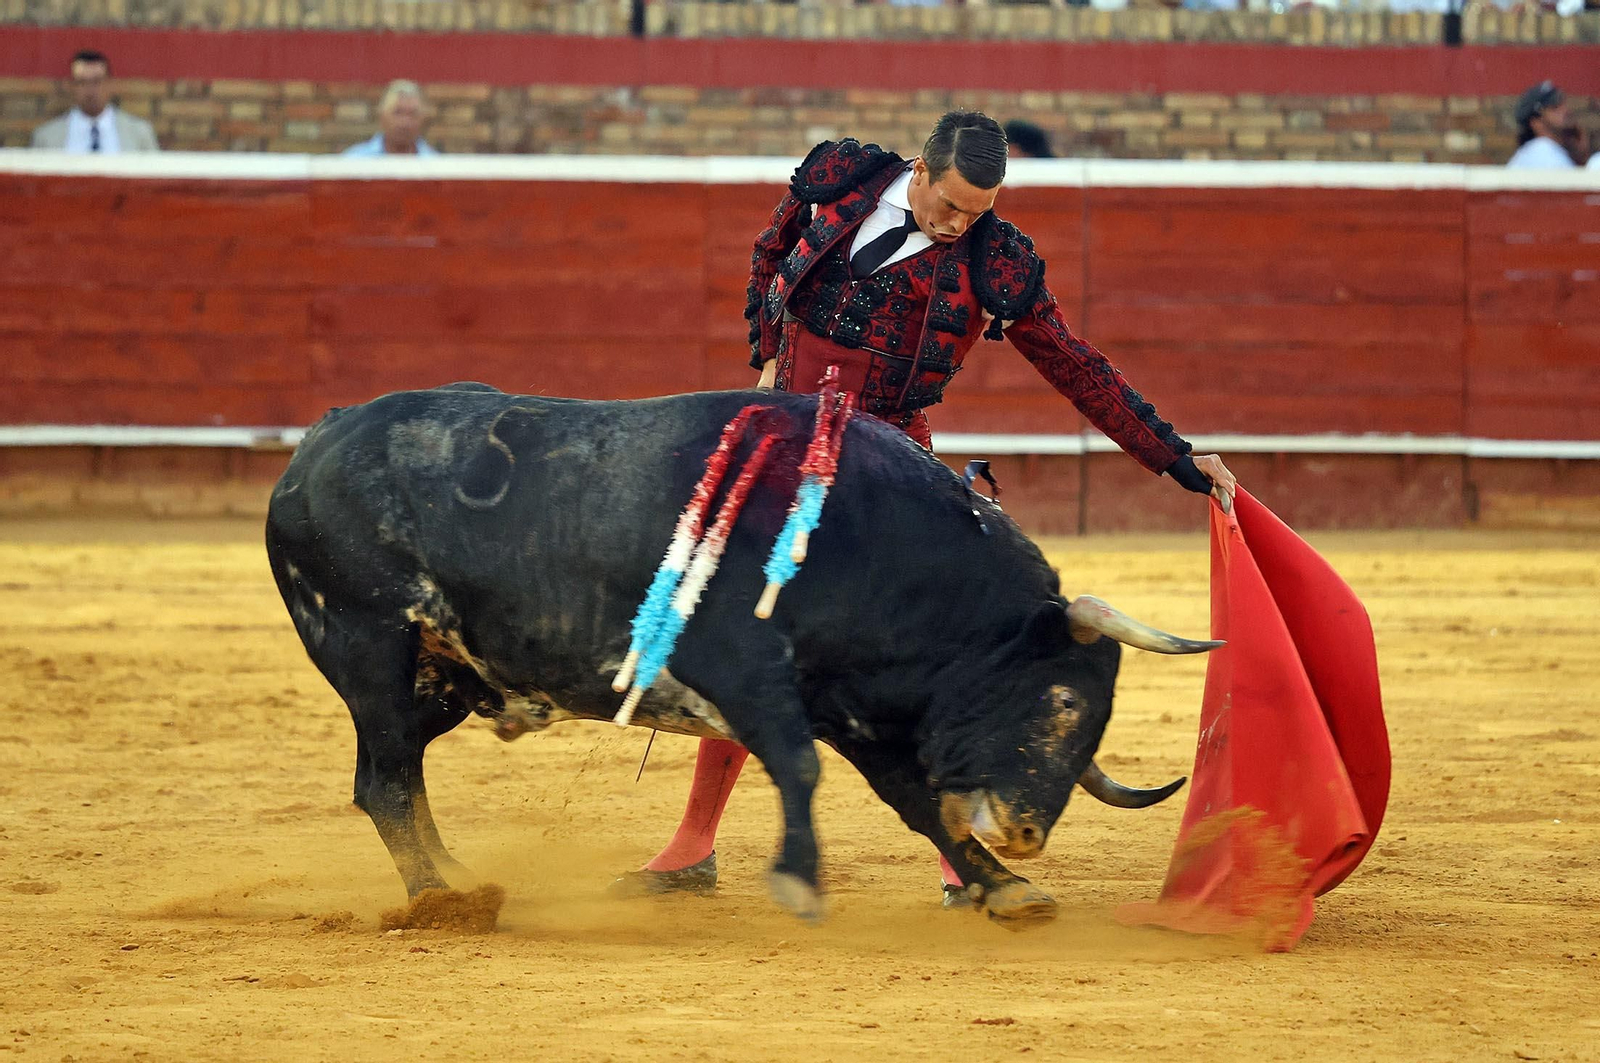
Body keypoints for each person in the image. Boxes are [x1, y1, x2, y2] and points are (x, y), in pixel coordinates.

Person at [615, 111, 1238, 907]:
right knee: (752, 628)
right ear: (919, 168)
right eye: (948, 206)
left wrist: (1175, 456)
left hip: (886, 469)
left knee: (919, 657)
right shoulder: (840, 178)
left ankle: (959, 867)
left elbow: (1078, 368)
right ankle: (691, 847)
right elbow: (769, 257)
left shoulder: (995, 261)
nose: (955, 226)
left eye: (975, 214)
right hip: (784, 447)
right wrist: (766, 356)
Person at [31, 50, 159, 153]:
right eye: (82, 82)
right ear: (71, 86)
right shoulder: (46, 138)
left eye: (97, 81)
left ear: (110, 84)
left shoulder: (140, 133)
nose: (90, 90)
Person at [342, 80, 439, 156]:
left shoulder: (436, 166)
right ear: (382, 116)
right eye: (397, 112)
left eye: (412, 114)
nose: (404, 122)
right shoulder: (355, 160)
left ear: (423, 119)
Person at [1506, 81, 1588, 169]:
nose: (1565, 110)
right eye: (1554, 106)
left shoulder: (1532, 152)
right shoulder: (1543, 152)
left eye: (1562, 103)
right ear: (1535, 122)